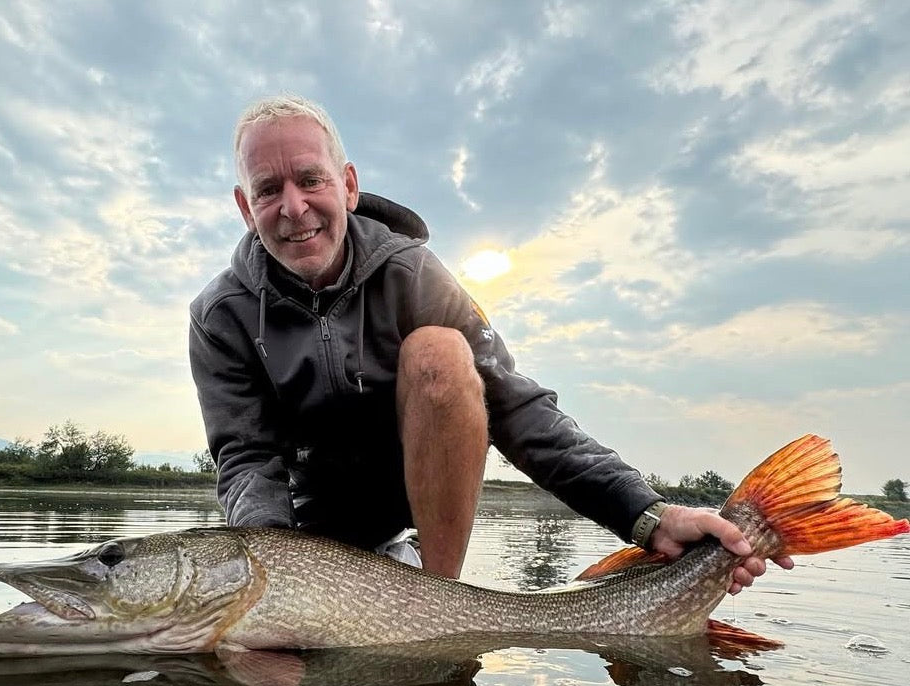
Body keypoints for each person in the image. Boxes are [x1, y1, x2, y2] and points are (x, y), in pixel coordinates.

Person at [190, 95, 792, 592]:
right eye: (269, 190)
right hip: (299, 532)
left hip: (408, 521)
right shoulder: (220, 316)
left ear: (347, 185)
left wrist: (648, 515)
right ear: (246, 208)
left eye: (310, 179)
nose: (294, 208)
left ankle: (437, 602)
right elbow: (246, 458)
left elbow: (516, 409)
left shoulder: (417, 275)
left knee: (440, 352)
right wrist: (269, 587)